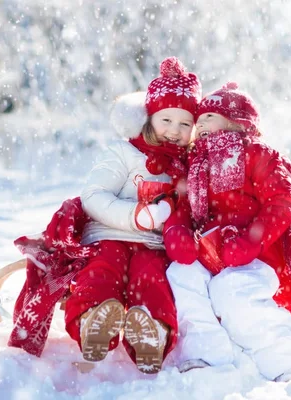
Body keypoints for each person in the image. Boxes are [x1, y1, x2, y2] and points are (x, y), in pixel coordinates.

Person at [164, 82, 291, 381]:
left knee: (230, 290)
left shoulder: (256, 153)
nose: (201, 123)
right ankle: (205, 351)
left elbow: (282, 200)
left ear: (237, 121)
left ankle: (283, 355)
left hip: (254, 256)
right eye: (199, 119)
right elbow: (181, 204)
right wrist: (177, 231)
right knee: (182, 277)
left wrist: (251, 240)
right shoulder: (195, 164)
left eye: (210, 116)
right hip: (210, 252)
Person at [63, 57, 201, 374]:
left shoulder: (188, 167)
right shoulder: (125, 153)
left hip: (153, 245)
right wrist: (132, 217)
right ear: (150, 118)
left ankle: (151, 333)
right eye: (166, 120)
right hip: (108, 234)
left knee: (152, 280)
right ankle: (93, 322)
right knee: (101, 271)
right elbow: (93, 195)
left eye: (184, 125)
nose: (174, 131)